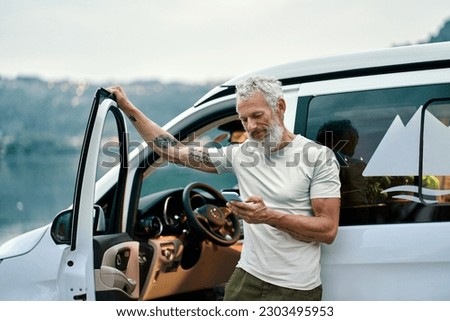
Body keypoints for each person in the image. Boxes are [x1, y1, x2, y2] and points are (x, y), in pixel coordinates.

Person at [107, 75, 341, 301]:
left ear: (280, 107)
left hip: (295, 289)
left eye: (257, 115)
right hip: (247, 279)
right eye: (244, 119)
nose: (251, 126)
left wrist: (268, 216)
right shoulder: (241, 154)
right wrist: (128, 108)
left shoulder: (318, 157)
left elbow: (327, 230)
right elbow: (173, 151)